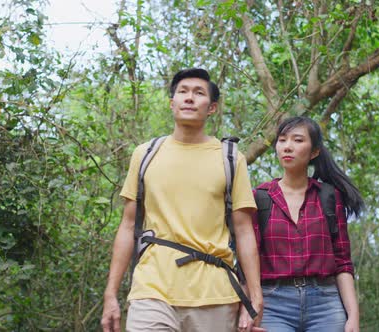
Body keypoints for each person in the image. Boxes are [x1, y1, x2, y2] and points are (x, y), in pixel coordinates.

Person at [101, 68, 263, 332]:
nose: (189, 98)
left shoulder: (231, 158)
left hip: (215, 294)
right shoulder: (145, 154)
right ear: (171, 103)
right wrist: (111, 294)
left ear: (211, 108)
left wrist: (254, 296)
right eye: (183, 92)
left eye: (199, 93)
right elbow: (128, 226)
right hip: (151, 288)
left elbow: (244, 231)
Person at [252, 116, 363, 332]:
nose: (288, 147)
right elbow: (248, 259)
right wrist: (246, 309)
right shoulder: (260, 197)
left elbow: (343, 262)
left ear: (314, 152)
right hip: (273, 304)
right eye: (282, 140)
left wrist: (353, 315)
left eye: (298, 140)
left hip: (326, 304)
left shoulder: (329, 197)